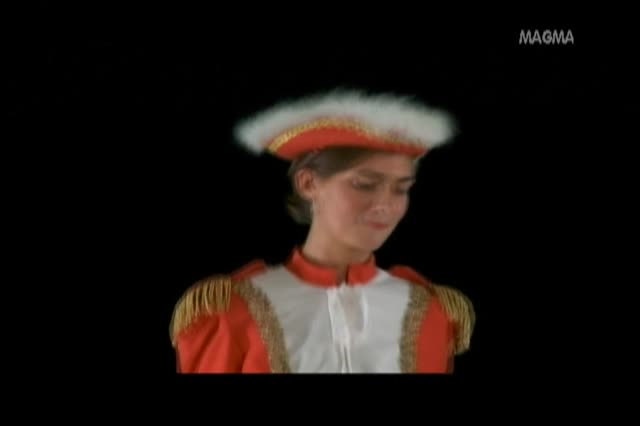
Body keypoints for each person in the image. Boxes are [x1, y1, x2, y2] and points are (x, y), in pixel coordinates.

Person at [169, 89, 476, 373]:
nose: (385, 205)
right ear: (308, 184)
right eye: (365, 184)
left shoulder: (428, 311)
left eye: (401, 188)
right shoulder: (232, 310)